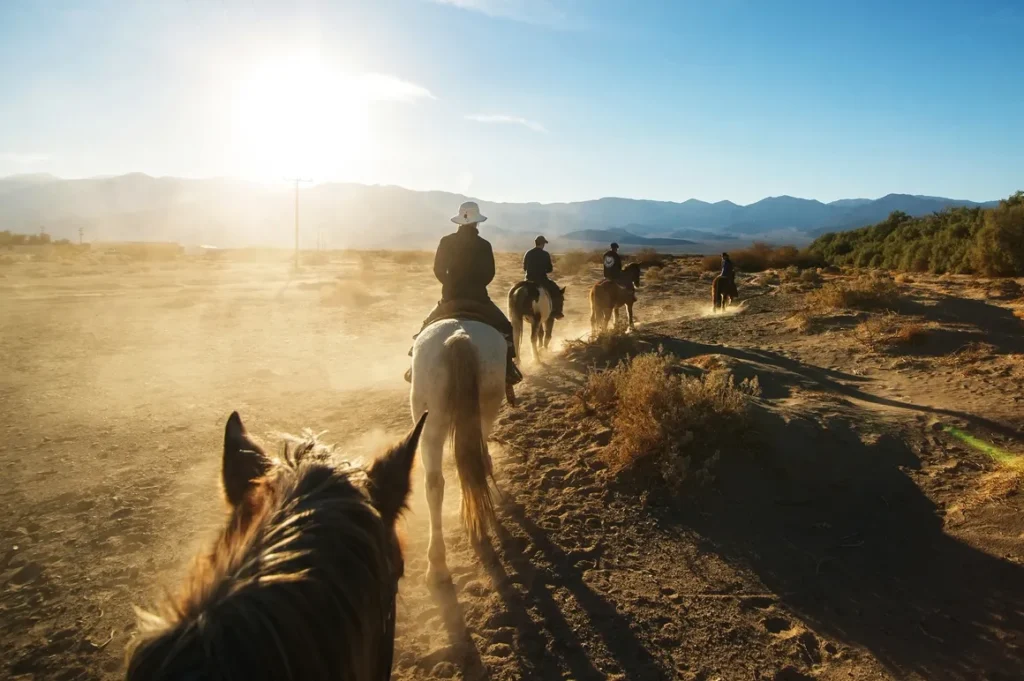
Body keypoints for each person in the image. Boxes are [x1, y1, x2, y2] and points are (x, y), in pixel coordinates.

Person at [405, 201, 523, 387]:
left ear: (459, 221)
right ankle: (509, 370)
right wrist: (476, 285)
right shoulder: (484, 244)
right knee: (506, 328)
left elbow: (438, 269)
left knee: (424, 329)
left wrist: (450, 284)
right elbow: (489, 273)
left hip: (450, 298)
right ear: (477, 222)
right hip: (478, 299)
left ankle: (414, 365)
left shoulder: (446, 241)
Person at [522, 235, 564, 319]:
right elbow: (549, 269)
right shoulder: (545, 254)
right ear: (542, 244)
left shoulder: (528, 253)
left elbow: (524, 268)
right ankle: (556, 312)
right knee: (556, 291)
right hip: (541, 280)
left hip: (528, 280)